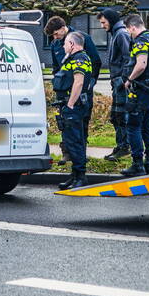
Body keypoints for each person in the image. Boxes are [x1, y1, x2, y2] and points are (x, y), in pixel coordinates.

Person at [44, 16, 101, 162]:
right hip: (63, 91)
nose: (55, 38)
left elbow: (95, 61)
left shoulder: (82, 38)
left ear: (63, 28)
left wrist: (90, 83)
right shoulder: (55, 45)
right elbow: (57, 68)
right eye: (53, 36)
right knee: (64, 120)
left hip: (81, 88)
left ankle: (81, 153)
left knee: (82, 120)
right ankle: (67, 152)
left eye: (56, 34)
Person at [121, 14, 149, 176]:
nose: (129, 33)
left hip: (142, 89)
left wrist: (129, 80)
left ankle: (137, 164)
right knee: (148, 125)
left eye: (128, 30)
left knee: (133, 125)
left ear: (132, 27)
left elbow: (141, 64)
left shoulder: (140, 41)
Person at [53, 31, 94, 190]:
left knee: (75, 141)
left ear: (72, 44)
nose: (63, 46)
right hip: (71, 105)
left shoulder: (80, 59)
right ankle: (75, 175)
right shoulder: (74, 58)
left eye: (65, 43)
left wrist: (70, 104)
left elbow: (78, 82)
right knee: (73, 141)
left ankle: (81, 177)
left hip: (74, 106)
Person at [97, 9, 132, 161]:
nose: (102, 26)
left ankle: (124, 147)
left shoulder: (121, 34)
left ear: (110, 20)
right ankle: (121, 145)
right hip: (118, 83)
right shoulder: (116, 34)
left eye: (103, 22)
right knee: (116, 116)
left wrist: (122, 80)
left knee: (120, 116)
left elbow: (129, 58)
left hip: (121, 84)